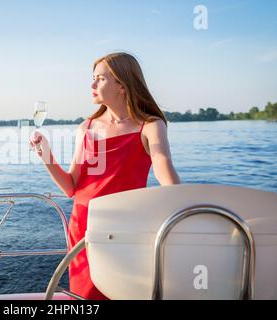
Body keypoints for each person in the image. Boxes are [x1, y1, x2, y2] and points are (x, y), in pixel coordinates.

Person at [29, 52, 181, 299]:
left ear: (122, 85)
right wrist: (46, 155)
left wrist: (183, 210)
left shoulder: (150, 125)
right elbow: (71, 187)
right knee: (86, 297)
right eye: (93, 78)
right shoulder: (86, 127)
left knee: (126, 291)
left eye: (100, 79)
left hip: (127, 227)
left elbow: (165, 171)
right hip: (84, 228)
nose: (92, 85)